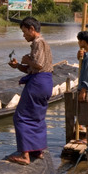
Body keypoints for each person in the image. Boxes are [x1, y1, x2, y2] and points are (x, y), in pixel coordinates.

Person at [7, 16, 54, 165]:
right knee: (36, 116)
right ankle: (37, 150)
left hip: (38, 83)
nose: (24, 35)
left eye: (24, 32)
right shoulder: (44, 43)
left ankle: (25, 156)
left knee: (21, 117)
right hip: (45, 82)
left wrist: (27, 60)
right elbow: (31, 69)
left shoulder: (38, 42)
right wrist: (18, 66)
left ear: (32, 29)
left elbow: (38, 65)